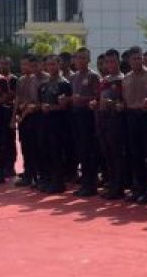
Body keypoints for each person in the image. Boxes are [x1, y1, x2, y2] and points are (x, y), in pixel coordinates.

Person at [122, 48, 147, 203]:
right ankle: (139, 188)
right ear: (129, 61)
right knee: (134, 154)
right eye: (134, 59)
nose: (137, 61)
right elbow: (124, 99)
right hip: (131, 116)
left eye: (139, 58)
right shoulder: (126, 78)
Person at [94, 50, 128, 200]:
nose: (109, 64)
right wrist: (95, 103)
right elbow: (99, 98)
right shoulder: (104, 80)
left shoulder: (123, 79)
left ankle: (119, 187)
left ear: (118, 61)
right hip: (102, 119)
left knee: (116, 154)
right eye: (107, 62)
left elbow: (126, 103)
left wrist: (114, 104)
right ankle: (112, 183)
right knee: (107, 153)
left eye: (112, 61)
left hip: (117, 120)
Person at [68, 48, 102, 196]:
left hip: (88, 115)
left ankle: (91, 184)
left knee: (89, 151)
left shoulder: (93, 76)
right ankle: (85, 182)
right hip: (75, 114)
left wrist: (82, 99)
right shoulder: (73, 77)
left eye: (83, 58)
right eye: (77, 58)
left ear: (88, 60)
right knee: (80, 149)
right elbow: (71, 97)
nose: (80, 61)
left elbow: (97, 96)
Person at [36, 56, 72, 194]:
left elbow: (65, 105)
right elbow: (40, 101)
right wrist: (41, 106)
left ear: (59, 65)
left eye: (53, 64)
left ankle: (59, 182)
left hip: (59, 122)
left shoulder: (64, 84)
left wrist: (51, 107)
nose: (51, 67)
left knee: (57, 151)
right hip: (45, 121)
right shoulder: (43, 85)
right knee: (46, 150)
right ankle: (48, 178)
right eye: (48, 65)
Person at [13, 55, 46, 188]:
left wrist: (30, 107)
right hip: (25, 116)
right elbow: (18, 98)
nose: (26, 68)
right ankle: (28, 174)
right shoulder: (22, 80)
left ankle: (40, 176)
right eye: (24, 65)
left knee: (39, 147)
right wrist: (15, 116)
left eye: (29, 65)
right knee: (26, 146)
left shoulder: (45, 79)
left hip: (40, 116)